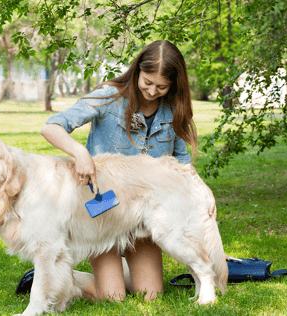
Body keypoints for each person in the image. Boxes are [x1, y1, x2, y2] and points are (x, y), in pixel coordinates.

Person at [38, 40, 197, 301]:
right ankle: (58, 276)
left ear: (174, 85)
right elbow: (51, 126)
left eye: (161, 86)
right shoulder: (108, 96)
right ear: (137, 71)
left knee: (151, 294)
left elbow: (183, 168)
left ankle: (119, 272)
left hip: (142, 214)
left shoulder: (173, 109)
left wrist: (202, 225)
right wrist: (80, 153)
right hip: (103, 209)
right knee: (113, 298)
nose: (152, 91)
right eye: (147, 82)